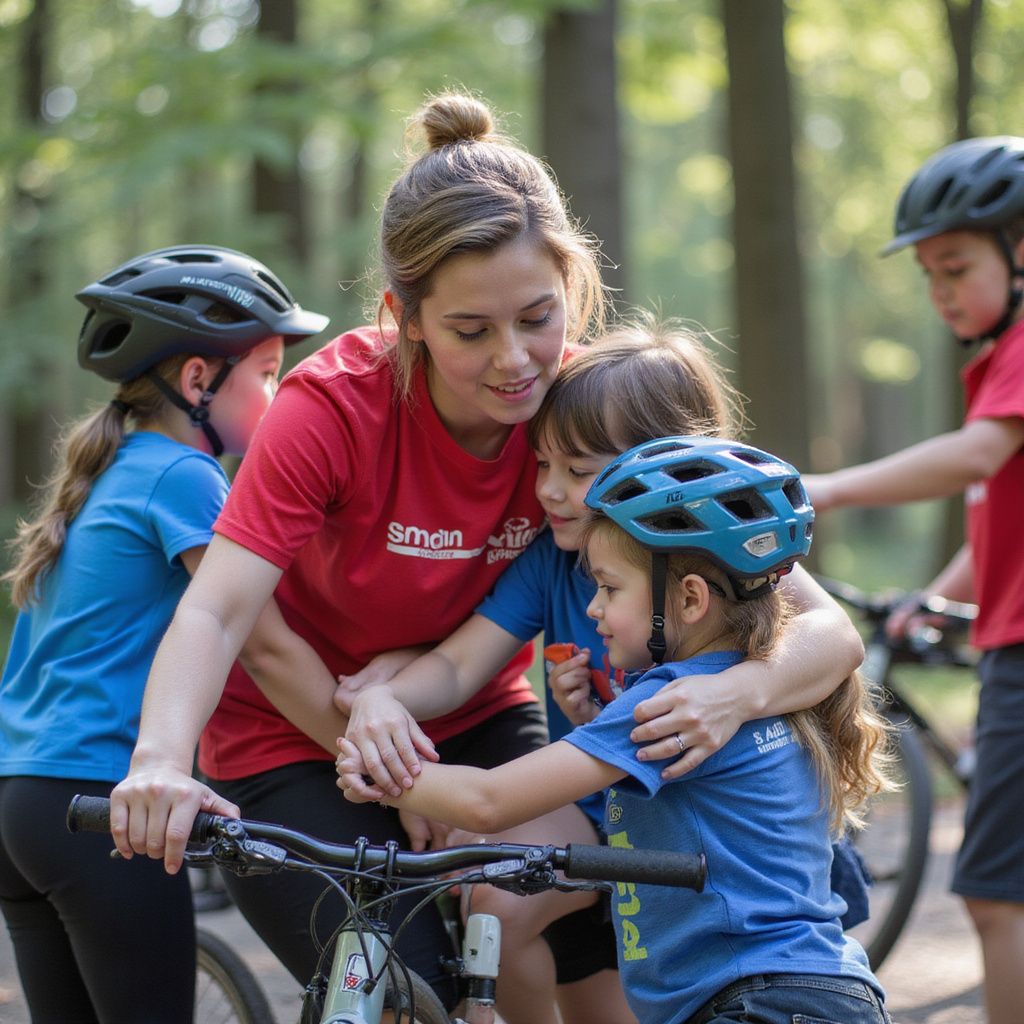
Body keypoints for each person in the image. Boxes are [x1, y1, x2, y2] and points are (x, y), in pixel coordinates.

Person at [110, 92, 861, 1018]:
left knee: (584, 958)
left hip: (471, 717)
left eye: (539, 317)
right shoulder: (330, 408)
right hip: (294, 736)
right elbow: (224, 612)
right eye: (471, 331)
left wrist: (734, 692)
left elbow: (817, 624)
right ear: (405, 317)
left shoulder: (585, 413)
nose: (515, 361)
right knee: (408, 991)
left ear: (572, 289)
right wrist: (162, 758)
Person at [337, 318, 869, 1023]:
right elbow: (459, 664)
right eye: (542, 465)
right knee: (496, 894)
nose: (550, 491)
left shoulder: (735, 565)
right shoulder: (554, 560)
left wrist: (737, 693)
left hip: (730, 899)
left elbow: (837, 636)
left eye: (580, 470)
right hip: (613, 794)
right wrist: (384, 701)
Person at [0, 244, 327, 1024]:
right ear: (198, 380)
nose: (278, 394)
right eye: (268, 373)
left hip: (24, 803)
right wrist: (374, 766)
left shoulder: (115, 470)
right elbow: (262, 643)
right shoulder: (185, 476)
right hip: (107, 801)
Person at [803, 135, 1024, 1024]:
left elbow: (975, 456)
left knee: (998, 895)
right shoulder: (997, 359)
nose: (941, 293)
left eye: (956, 268)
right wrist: (937, 598)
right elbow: (999, 515)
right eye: (930, 275)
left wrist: (825, 488)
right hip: (1007, 640)